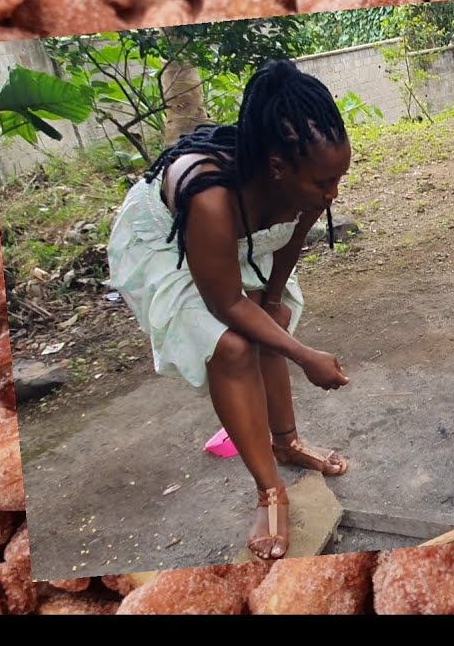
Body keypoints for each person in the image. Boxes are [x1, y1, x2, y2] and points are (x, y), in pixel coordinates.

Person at [106, 59, 352, 561]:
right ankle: (269, 491)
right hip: (164, 244)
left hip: (234, 245)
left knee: (269, 323)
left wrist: (275, 300)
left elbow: (286, 245)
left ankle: (286, 442)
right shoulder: (211, 196)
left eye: (338, 178)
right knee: (233, 346)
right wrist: (305, 356)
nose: (333, 194)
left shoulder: (308, 180)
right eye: (324, 183)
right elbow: (224, 302)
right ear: (279, 167)